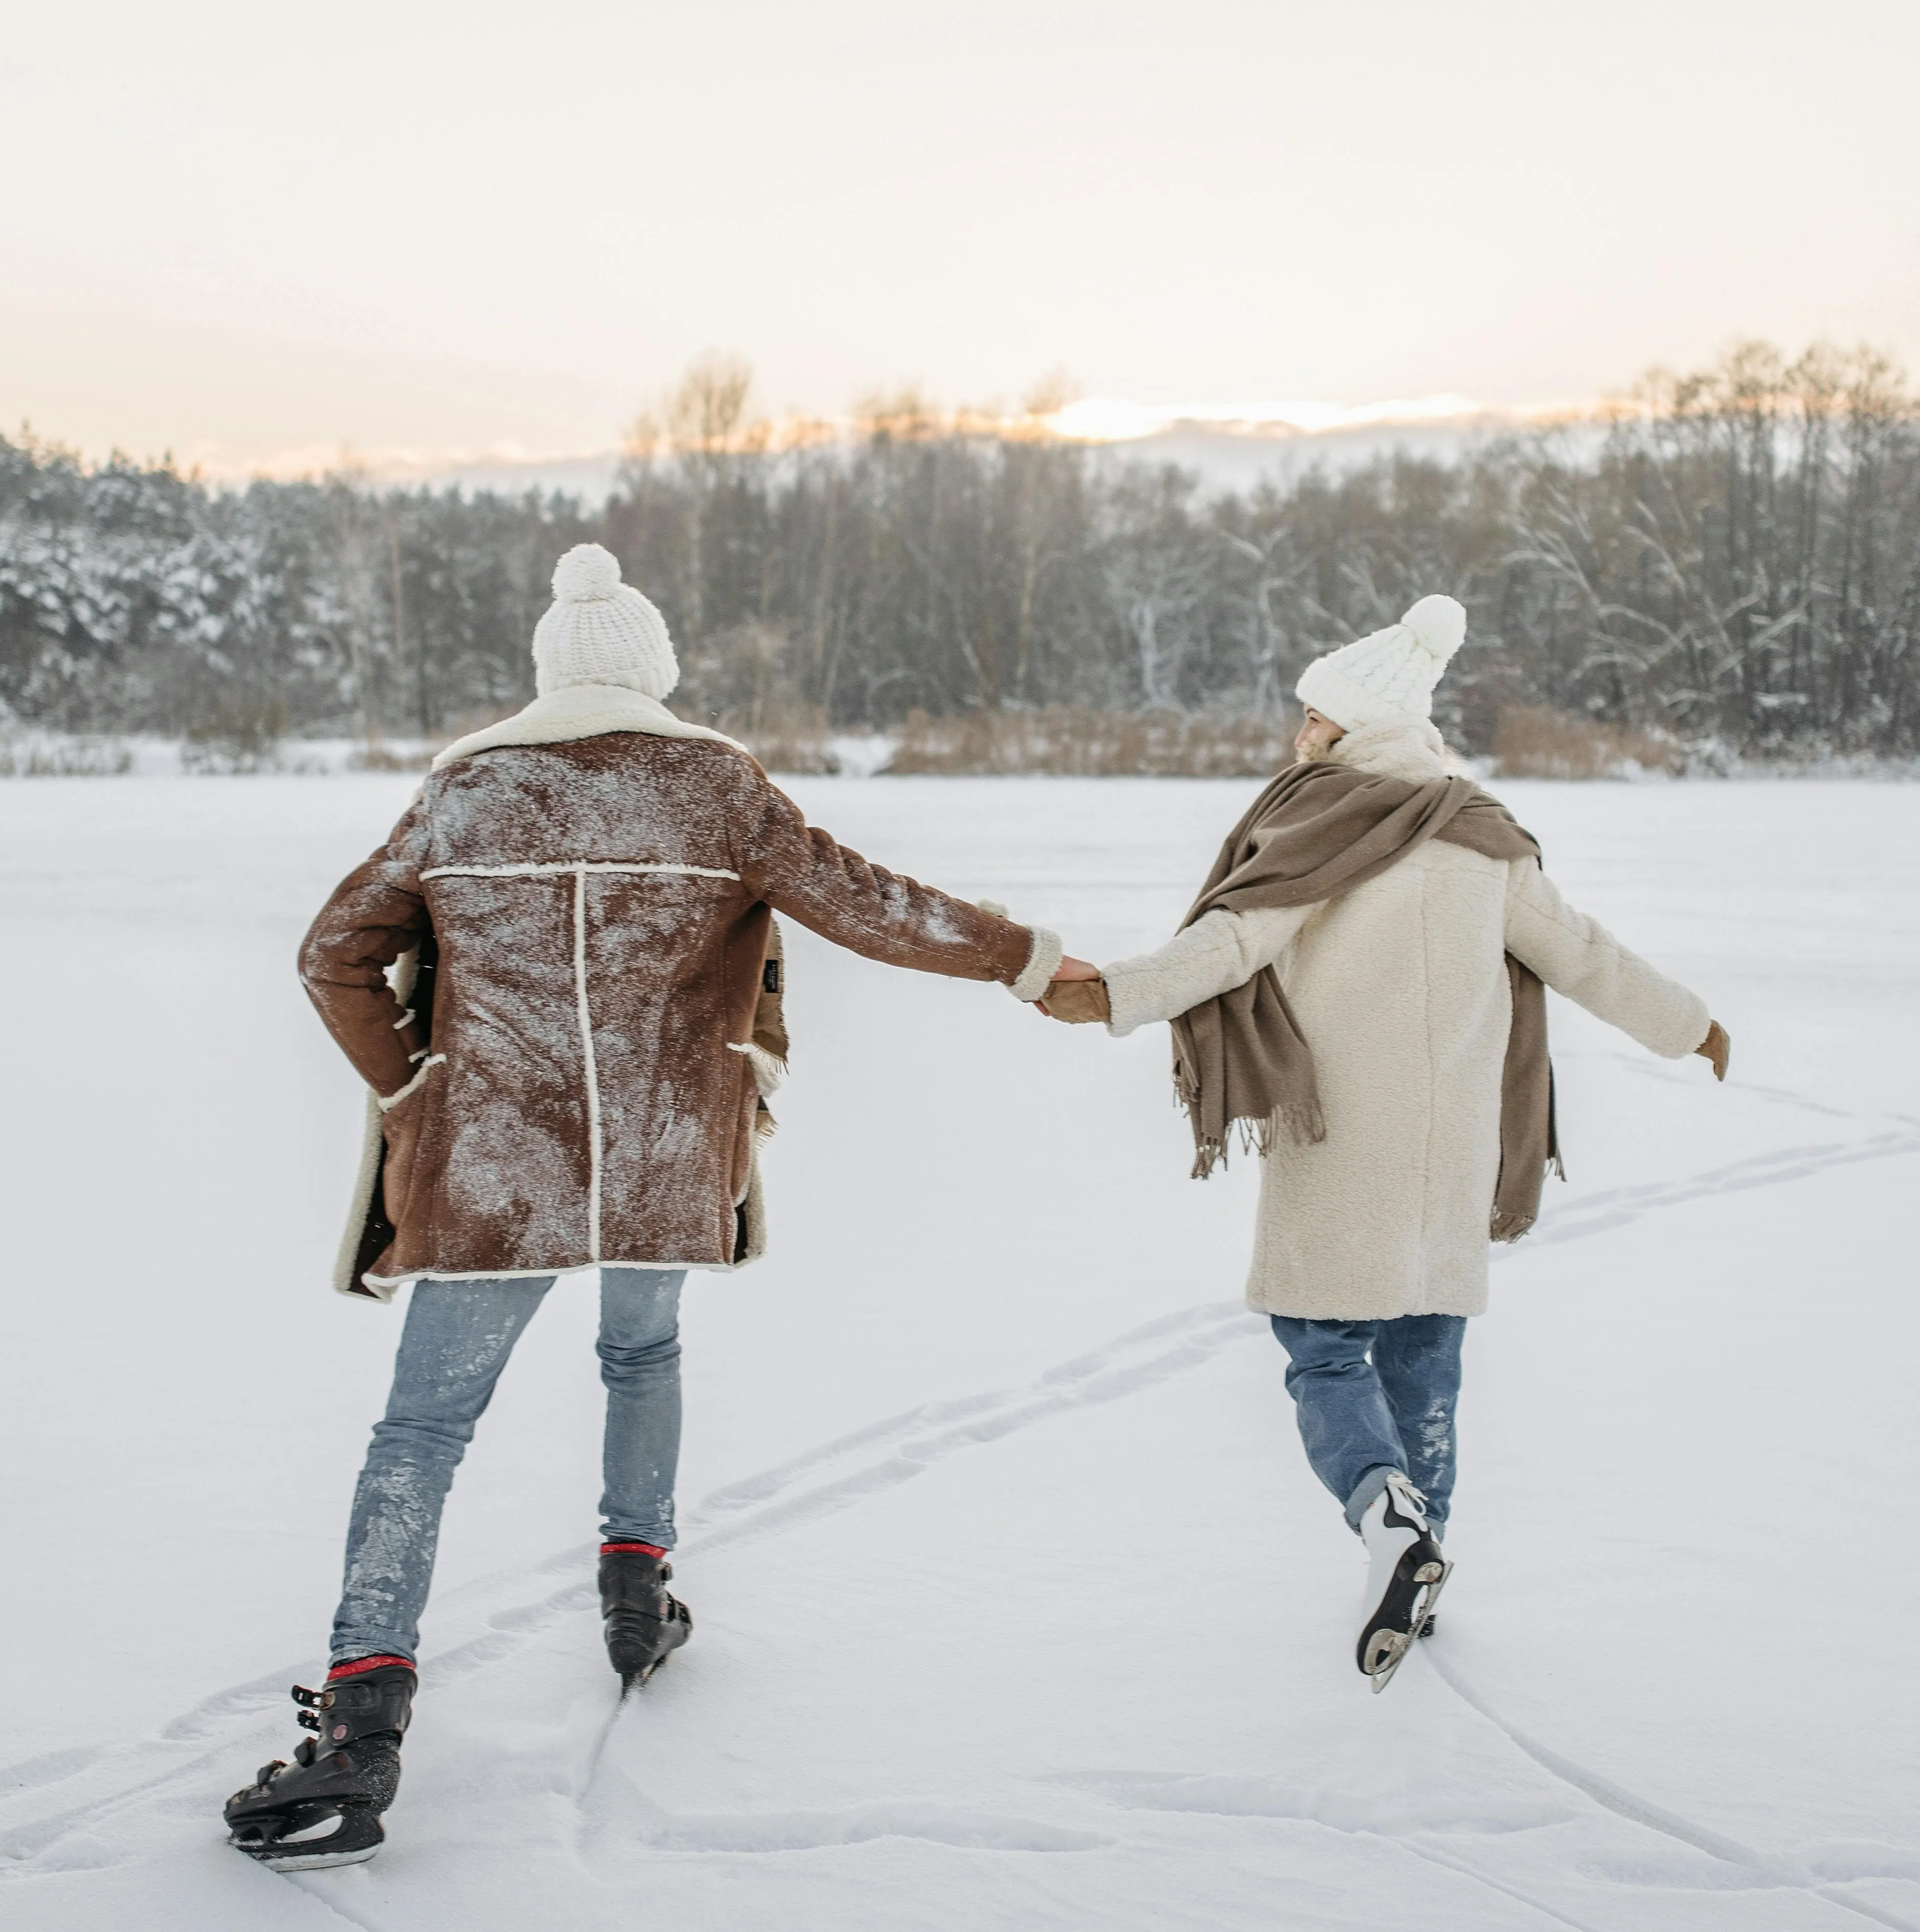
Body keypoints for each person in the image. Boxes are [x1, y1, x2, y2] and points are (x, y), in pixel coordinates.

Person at [225, 543, 1094, 1868]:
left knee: (420, 1429)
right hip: (660, 1151)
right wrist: (1028, 958)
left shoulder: (467, 787)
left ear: (548, 673)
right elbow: (871, 905)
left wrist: (420, 1084)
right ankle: (638, 1584)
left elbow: (330, 952)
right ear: (653, 673)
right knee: (640, 1350)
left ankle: (358, 1721)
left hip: (494, 1164)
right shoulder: (715, 786)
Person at [1040, 595, 1729, 1691]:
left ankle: (1382, 1511)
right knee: (1425, 1365)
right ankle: (1420, 1564)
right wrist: (1687, 1022)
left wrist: (1113, 991)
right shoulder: (1480, 837)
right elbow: (1580, 952)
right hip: (1453, 1148)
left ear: (1343, 723)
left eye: (1308, 710)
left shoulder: (1320, 825)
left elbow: (1228, 942)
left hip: (1340, 1138)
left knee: (1321, 1346)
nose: (1296, 726)